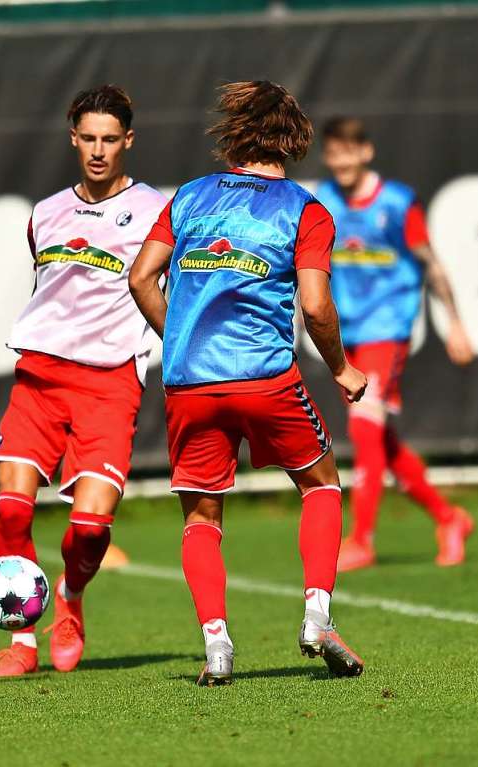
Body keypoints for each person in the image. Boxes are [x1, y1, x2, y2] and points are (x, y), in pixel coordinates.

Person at [129, 81, 367, 686]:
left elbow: (140, 278)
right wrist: (340, 367)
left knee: (201, 520)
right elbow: (315, 305)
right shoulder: (305, 211)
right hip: (265, 379)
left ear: (233, 134)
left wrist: (181, 335)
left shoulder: (188, 197)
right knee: (321, 485)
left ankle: (217, 647)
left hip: (190, 383)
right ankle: (317, 614)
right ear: (295, 138)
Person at [0, 85, 167, 678]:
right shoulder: (44, 213)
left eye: (109, 139)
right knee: (12, 509)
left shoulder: (156, 212)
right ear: (73, 138)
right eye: (88, 138)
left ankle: (70, 597)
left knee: (89, 528)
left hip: (111, 385)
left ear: (128, 141)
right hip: (38, 379)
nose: (97, 150)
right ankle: (21, 644)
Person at [316, 117, 476, 573]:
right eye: (333, 153)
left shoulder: (398, 203)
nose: (341, 161)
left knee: (365, 431)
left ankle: (361, 540)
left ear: (366, 152)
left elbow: (433, 266)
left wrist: (457, 325)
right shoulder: (323, 201)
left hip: (389, 332)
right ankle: (449, 518)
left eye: (349, 151)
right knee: (382, 440)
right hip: (349, 339)